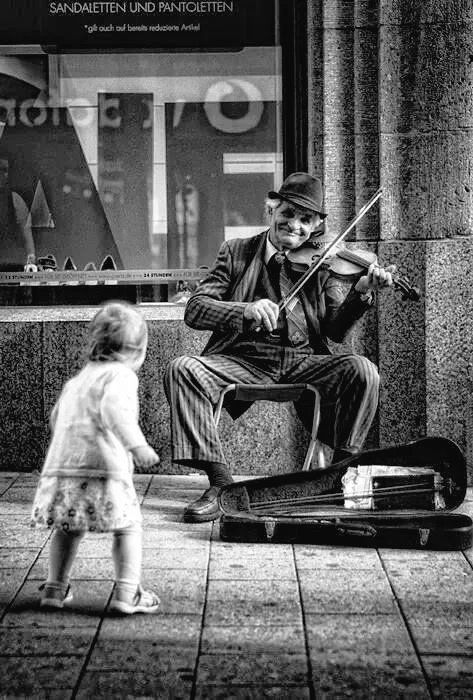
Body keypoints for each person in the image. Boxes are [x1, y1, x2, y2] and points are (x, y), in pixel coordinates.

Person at [164, 172, 395, 523]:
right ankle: (220, 484)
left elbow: (335, 331)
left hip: (305, 360)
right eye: (288, 213)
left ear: (316, 225)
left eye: (306, 220)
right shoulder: (237, 251)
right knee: (182, 368)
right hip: (245, 359)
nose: (296, 226)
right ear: (271, 210)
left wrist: (361, 291)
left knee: (363, 370)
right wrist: (245, 310)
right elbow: (196, 309)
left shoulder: (323, 263)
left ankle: (338, 477)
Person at [31, 301, 161, 614]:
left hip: (64, 467)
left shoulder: (77, 381)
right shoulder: (121, 375)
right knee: (128, 526)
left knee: (67, 527)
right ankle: (127, 593)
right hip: (104, 468)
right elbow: (114, 411)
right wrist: (137, 445)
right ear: (138, 351)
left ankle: (55, 588)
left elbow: (55, 418)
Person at [0, 157, 35, 270]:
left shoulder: (15, 200)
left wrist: (31, 262)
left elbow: (27, 236)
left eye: (4, 170)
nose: (1, 174)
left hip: (10, 264)